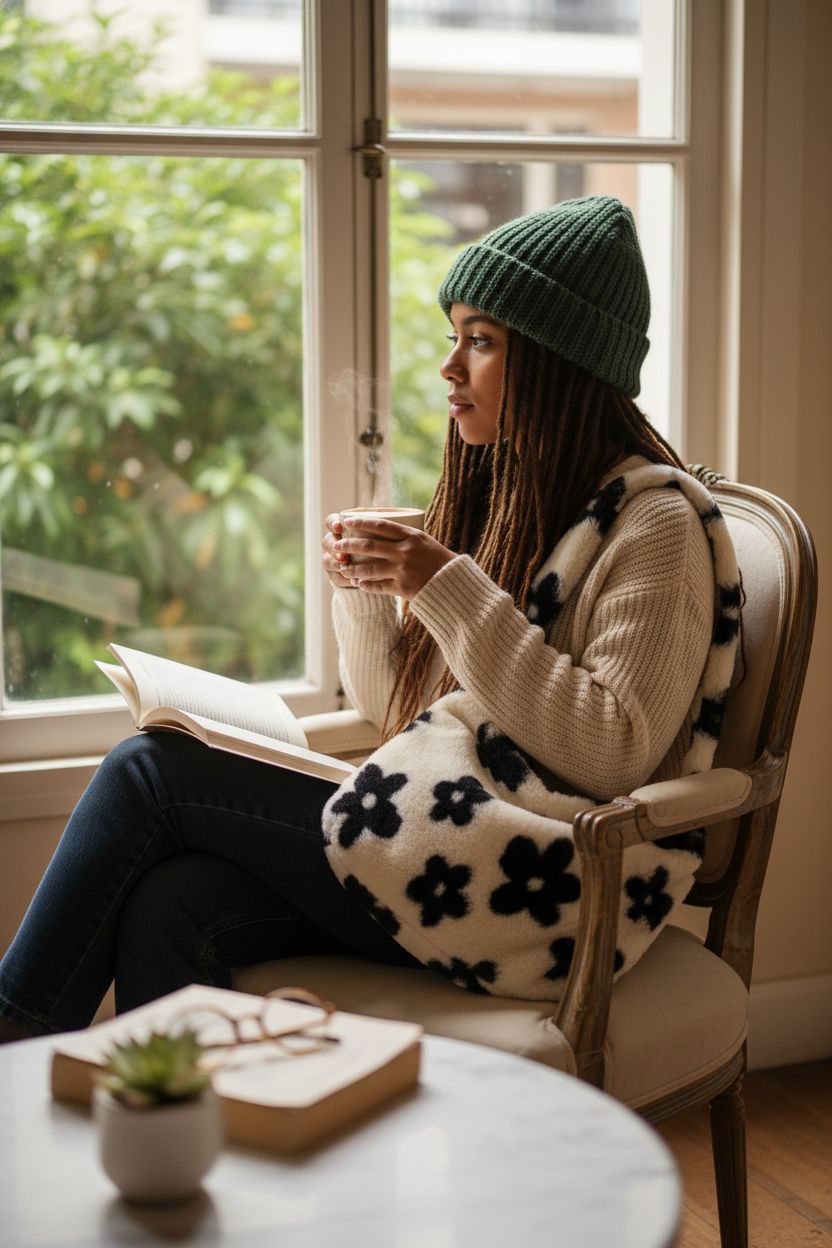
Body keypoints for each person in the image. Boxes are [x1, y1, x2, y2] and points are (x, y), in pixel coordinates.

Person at [0, 195, 738, 1041]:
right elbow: (403, 716)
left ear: (560, 363)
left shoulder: (657, 527)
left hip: (544, 880)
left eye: (483, 341)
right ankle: (182, 1148)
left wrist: (449, 589)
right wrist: (366, 585)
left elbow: (613, 753)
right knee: (173, 903)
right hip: (452, 839)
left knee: (149, 773)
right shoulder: (524, 503)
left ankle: (8, 1046)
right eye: (454, 335)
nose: (449, 367)